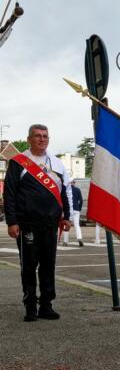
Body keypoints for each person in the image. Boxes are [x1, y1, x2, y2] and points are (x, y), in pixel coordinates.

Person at [3, 124, 72, 322]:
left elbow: (64, 192)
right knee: (28, 266)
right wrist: (12, 221)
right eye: (37, 136)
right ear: (29, 139)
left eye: (45, 136)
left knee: (48, 266)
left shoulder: (57, 164)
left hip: (50, 224)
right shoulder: (18, 162)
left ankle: (46, 305)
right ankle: (30, 306)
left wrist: (66, 216)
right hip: (27, 225)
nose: (42, 139)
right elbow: (10, 193)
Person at [62, 178, 84, 247]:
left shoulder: (65, 190)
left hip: (68, 210)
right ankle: (79, 238)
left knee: (67, 225)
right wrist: (79, 209)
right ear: (73, 183)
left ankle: (65, 241)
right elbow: (81, 200)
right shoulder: (77, 190)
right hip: (76, 210)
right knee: (77, 225)